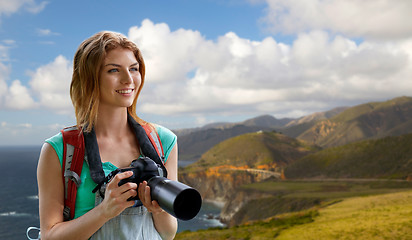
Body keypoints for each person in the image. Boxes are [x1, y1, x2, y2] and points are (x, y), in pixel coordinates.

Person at [37, 31, 178, 240]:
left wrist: (158, 209)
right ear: (89, 77)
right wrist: (104, 211)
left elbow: (168, 233)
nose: (128, 79)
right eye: (114, 70)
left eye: (134, 69)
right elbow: (49, 235)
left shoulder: (163, 141)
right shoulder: (60, 149)